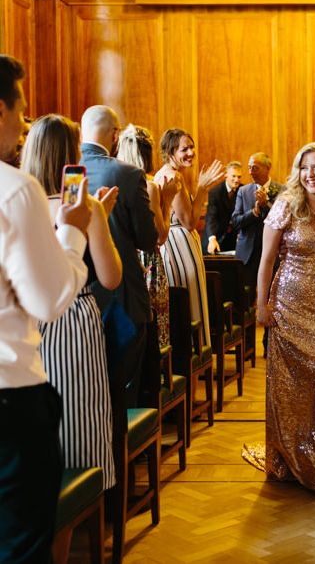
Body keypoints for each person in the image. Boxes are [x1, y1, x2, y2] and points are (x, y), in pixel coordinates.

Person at [0, 55, 91, 563]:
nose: (23, 127)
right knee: (19, 546)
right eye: (21, 112)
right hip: (9, 398)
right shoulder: (15, 191)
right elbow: (50, 300)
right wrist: (73, 229)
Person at [21, 114, 123, 560]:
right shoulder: (83, 206)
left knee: (35, 442)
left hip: (24, 326)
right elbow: (111, 277)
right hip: (74, 324)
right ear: (70, 158)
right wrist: (100, 221)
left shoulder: (14, 204)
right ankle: (64, 550)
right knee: (77, 442)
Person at [256, 142, 315, 497]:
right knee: (288, 388)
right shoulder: (286, 205)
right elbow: (266, 260)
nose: (311, 174)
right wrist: (261, 305)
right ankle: (288, 460)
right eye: (304, 167)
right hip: (288, 306)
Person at [80, 105, 159, 407]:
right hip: (121, 293)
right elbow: (147, 238)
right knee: (123, 382)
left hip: (76, 293)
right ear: (115, 134)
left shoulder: (63, 170)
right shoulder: (127, 174)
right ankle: (125, 449)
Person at [155, 128, 224, 351]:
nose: (191, 153)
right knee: (189, 302)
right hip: (180, 248)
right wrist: (203, 188)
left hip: (174, 246)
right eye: (184, 149)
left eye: (192, 147)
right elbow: (189, 221)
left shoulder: (165, 173)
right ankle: (194, 357)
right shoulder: (173, 176)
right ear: (170, 151)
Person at [117, 124, 180, 349]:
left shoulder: (115, 180)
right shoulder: (148, 185)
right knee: (155, 326)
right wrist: (169, 199)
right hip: (148, 262)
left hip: (124, 260)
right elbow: (160, 236)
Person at [232, 152, 283, 355]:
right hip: (248, 255)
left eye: (256, 167)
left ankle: (268, 346)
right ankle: (247, 347)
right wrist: (254, 211)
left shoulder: (282, 190)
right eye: (249, 167)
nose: (251, 171)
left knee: (271, 300)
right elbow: (235, 222)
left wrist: (266, 205)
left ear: (267, 168)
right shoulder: (243, 192)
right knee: (245, 301)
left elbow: (283, 219)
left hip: (273, 255)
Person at [203, 160, 243, 255]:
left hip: (234, 241)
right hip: (215, 237)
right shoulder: (215, 192)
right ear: (226, 175)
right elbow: (211, 217)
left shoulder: (243, 190)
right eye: (233, 176)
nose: (236, 180)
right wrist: (212, 238)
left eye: (239, 177)